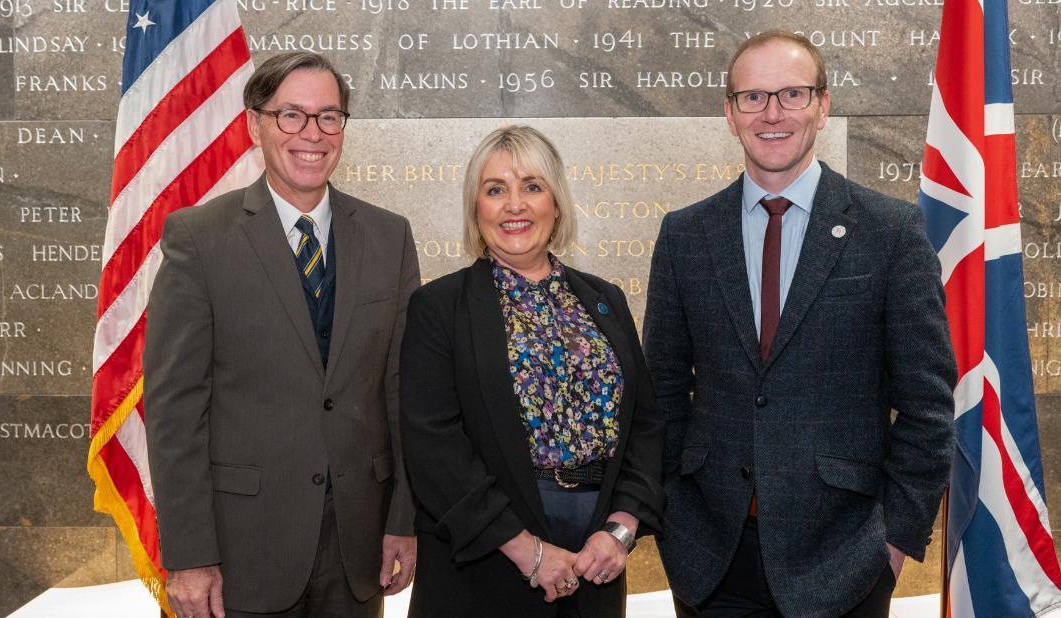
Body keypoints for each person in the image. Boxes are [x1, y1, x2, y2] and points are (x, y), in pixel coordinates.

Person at [643, 31, 957, 617]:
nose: (773, 113)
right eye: (753, 98)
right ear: (730, 114)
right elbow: (659, 394)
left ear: (823, 104)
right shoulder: (685, 235)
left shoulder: (890, 232)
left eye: (792, 93)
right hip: (710, 559)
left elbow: (928, 404)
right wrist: (673, 520)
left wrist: (891, 546)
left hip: (846, 559)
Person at [143, 51, 419, 618]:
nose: (311, 134)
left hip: (358, 547)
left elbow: (402, 392)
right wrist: (190, 556)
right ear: (255, 125)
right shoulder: (199, 239)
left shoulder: (390, 238)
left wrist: (403, 521)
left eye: (328, 116)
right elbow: (175, 409)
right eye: (290, 115)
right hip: (242, 551)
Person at [399, 125, 665, 618]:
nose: (514, 205)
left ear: (556, 203)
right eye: (495, 189)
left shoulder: (604, 300)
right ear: (476, 209)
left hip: (596, 558)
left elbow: (645, 427)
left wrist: (621, 529)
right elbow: (433, 447)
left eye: (532, 187)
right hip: (487, 559)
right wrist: (527, 550)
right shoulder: (439, 307)